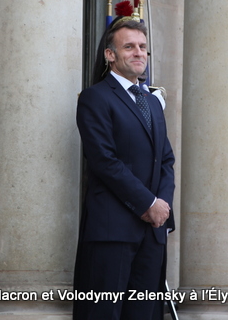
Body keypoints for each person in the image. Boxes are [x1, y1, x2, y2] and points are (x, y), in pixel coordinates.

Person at [73, 16, 175, 320]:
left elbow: (166, 160)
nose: (138, 52)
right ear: (110, 54)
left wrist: (162, 205)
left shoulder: (152, 102)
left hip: (152, 232)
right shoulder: (96, 98)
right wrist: (147, 203)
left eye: (142, 47)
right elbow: (105, 161)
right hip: (112, 230)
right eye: (128, 46)